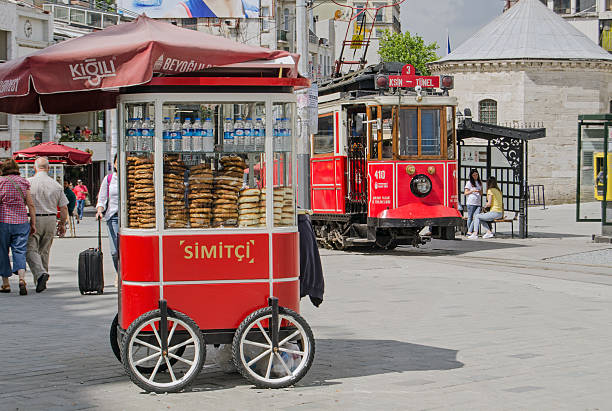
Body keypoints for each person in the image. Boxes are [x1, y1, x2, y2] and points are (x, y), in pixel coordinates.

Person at [26, 157, 68, 292]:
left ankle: (40, 274)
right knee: (44, 250)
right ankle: (41, 280)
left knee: (30, 249)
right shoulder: (56, 185)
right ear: (48, 168)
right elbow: (64, 207)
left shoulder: (28, 183)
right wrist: (62, 224)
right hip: (50, 219)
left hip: (34, 218)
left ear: (34, 168)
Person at [0, 159, 37, 295]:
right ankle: (22, 279)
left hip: (3, 221)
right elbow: (31, 204)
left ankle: (5, 283)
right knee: (20, 251)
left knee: (2, 251)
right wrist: (33, 223)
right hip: (21, 222)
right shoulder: (23, 182)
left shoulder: (1, 182)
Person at [96, 154, 119, 274]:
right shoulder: (109, 179)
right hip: (113, 217)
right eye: (117, 161)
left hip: (131, 218)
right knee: (115, 251)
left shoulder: (131, 177)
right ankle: (118, 273)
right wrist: (100, 210)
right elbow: (102, 198)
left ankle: (124, 274)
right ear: (114, 164)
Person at [464, 169, 483, 236]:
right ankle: (470, 231)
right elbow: (465, 193)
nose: (475, 176)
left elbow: (481, 193)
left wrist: (479, 191)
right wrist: (472, 191)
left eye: (476, 175)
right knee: (470, 217)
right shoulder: (469, 183)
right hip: (471, 202)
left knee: (476, 216)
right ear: (471, 176)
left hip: (478, 202)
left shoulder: (479, 182)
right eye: (474, 175)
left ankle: (475, 230)